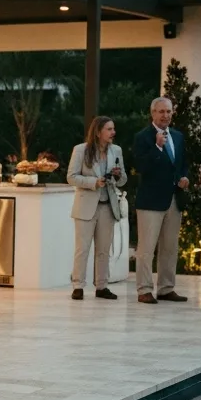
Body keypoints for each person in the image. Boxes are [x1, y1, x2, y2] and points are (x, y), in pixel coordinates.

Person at [133, 96, 191, 305]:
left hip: (174, 200)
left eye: (168, 111)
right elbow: (142, 168)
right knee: (146, 248)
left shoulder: (178, 136)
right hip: (150, 201)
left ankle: (166, 288)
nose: (165, 115)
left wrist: (185, 177)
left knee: (169, 247)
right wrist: (157, 148)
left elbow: (182, 164)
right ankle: (144, 289)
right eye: (161, 112)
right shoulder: (143, 137)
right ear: (152, 114)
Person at [67, 116, 126, 300]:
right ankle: (78, 286)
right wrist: (94, 182)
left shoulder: (116, 150)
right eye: (109, 129)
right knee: (82, 248)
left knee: (103, 249)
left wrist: (117, 176)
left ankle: (102, 286)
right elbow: (71, 177)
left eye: (113, 129)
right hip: (86, 206)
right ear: (98, 131)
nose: (113, 133)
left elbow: (123, 180)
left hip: (107, 206)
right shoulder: (80, 150)